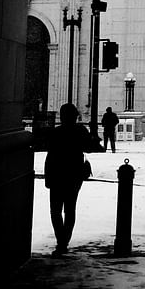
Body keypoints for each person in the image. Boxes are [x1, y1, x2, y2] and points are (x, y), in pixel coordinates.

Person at [44, 103, 93, 256]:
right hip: (74, 175)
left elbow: (50, 155)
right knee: (70, 210)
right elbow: (90, 147)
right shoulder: (80, 130)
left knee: (55, 211)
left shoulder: (56, 132)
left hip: (57, 175)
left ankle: (61, 241)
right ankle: (64, 240)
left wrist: (48, 177)